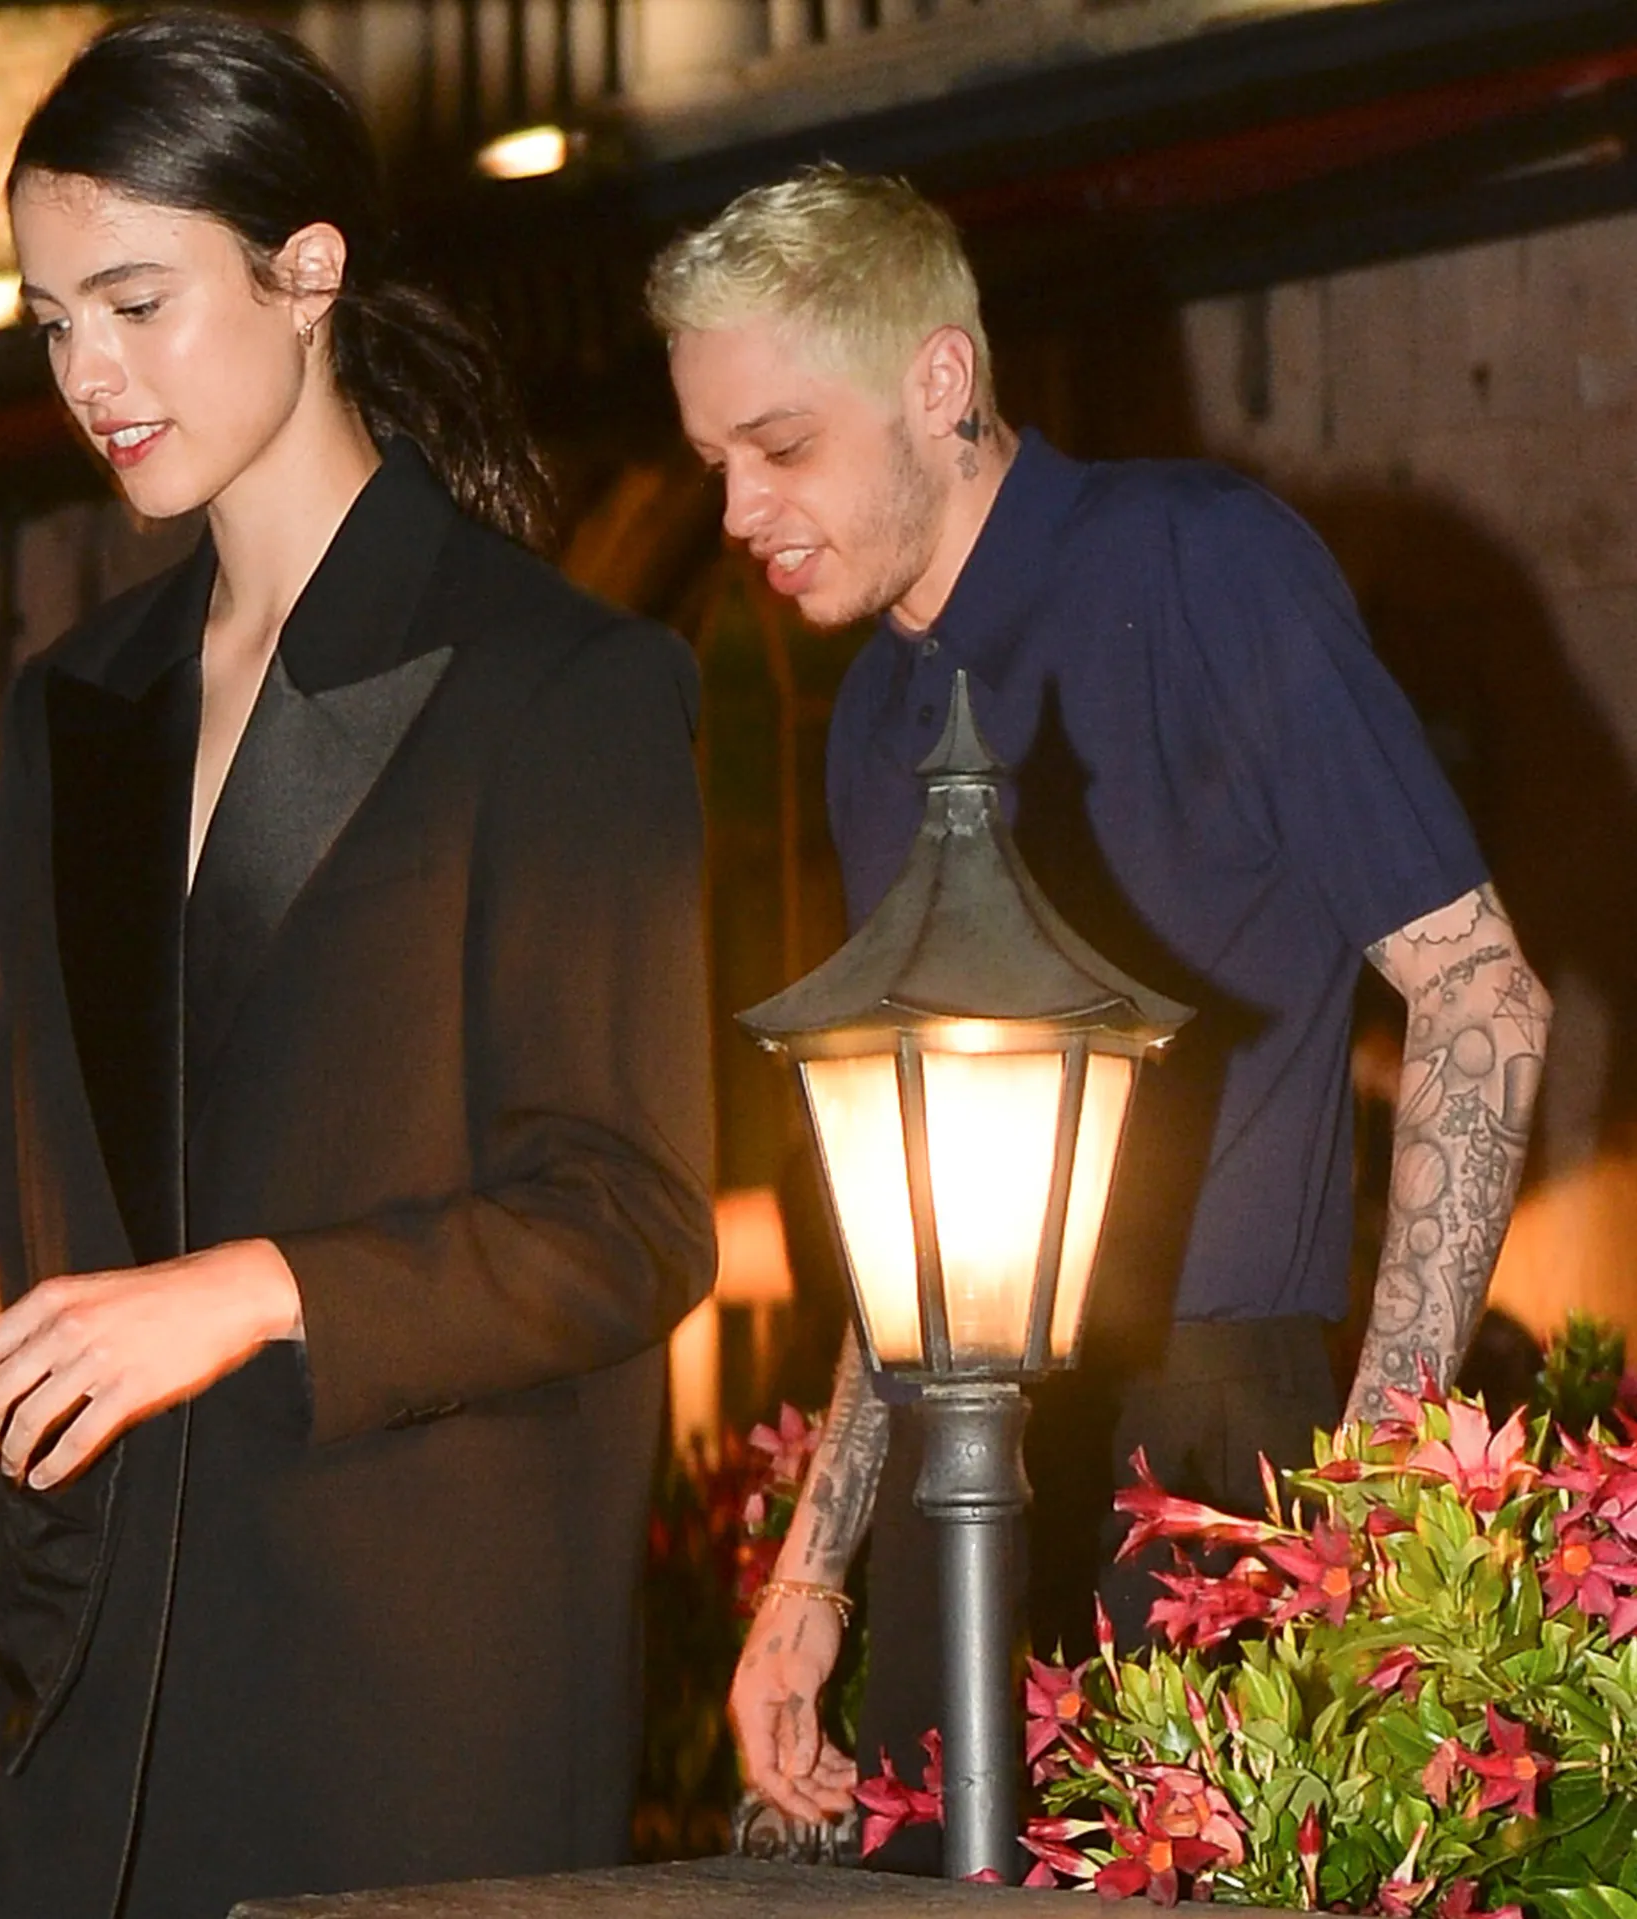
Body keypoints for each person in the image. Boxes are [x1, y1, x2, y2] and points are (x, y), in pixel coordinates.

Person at [647, 165, 1550, 1845]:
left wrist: (1372, 1493)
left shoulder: (1196, 558)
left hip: (1209, 1458)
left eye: (780, 446)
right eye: (717, 464)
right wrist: (809, 1575)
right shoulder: (872, 720)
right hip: (951, 1472)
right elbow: (916, 1193)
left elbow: (1479, 988)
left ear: (938, 378)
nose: (740, 509)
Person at [0, 16, 715, 1917]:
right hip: (79, 1729)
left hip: (397, 1723)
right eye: (53, 322)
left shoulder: (558, 686)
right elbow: (53, 1206)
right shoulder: (75, 709)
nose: (90, 375)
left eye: (136, 303)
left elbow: (626, 1218)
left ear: (307, 274)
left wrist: (251, 1291)